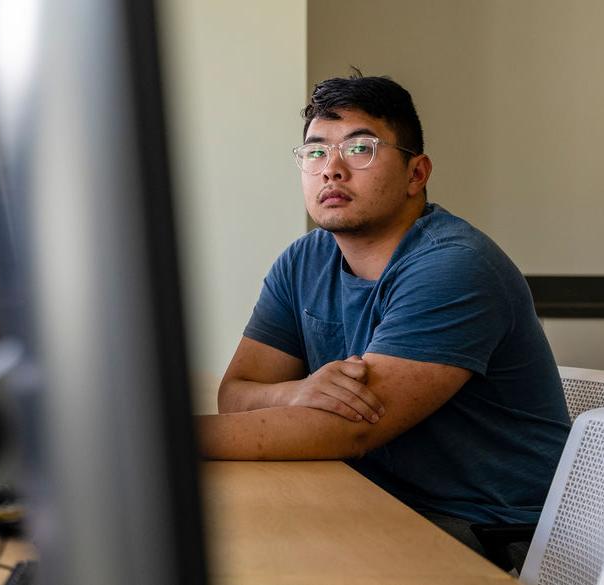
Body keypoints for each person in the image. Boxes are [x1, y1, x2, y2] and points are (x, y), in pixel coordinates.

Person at [196, 70, 571, 555]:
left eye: (360, 149)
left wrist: (161, 438)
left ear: (417, 173)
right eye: (315, 152)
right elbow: (236, 393)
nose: (331, 169)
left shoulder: (455, 265)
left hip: (489, 531)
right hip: (376, 496)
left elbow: (349, 428)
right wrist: (296, 393)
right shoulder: (303, 260)